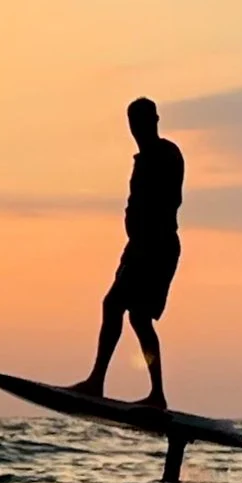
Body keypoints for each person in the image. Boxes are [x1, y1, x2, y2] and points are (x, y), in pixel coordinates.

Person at [71, 97, 183, 408]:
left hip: (156, 247)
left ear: (155, 121)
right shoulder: (144, 158)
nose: (137, 129)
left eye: (142, 122)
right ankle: (149, 392)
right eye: (133, 123)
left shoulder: (165, 154)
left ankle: (100, 382)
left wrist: (145, 237)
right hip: (140, 246)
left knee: (120, 308)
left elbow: (168, 201)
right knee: (134, 316)